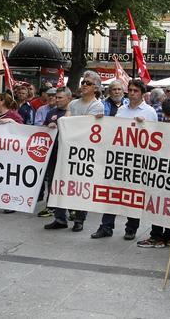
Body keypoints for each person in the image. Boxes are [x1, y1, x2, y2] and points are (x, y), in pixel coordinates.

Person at [90, 80, 157, 240]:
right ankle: (106, 226)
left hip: (138, 160)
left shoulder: (149, 112)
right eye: (131, 90)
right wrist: (102, 120)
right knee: (112, 193)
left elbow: (155, 136)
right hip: (119, 159)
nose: (132, 93)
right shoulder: (121, 110)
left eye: (135, 91)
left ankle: (131, 228)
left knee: (134, 195)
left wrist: (144, 126)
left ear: (142, 93)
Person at [44, 70, 104, 232]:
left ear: (96, 88)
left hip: (84, 152)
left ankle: (79, 219)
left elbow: (84, 126)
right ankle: (60, 217)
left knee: (80, 184)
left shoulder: (97, 105)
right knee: (61, 181)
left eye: (88, 83)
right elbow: (67, 121)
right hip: (67, 148)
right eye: (83, 82)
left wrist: (66, 122)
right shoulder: (74, 104)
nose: (84, 85)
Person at [136, 97, 170, 248]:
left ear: (163, 110)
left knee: (156, 204)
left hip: (158, 173)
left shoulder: (158, 128)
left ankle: (156, 236)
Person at [37, 87, 73, 218]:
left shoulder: (74, 113)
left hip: (68, 153)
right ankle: (51, 206)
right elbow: (43, 130)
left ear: (69, 98)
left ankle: (71, 209)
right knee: (51, 179)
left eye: (60, 98)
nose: (56, 100)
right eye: (56, 97)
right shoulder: (51, 112)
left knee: (68, 181)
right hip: (53, 152)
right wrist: (48, 127)